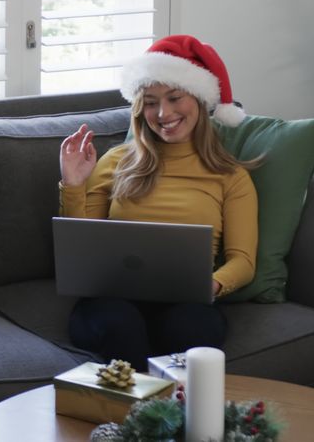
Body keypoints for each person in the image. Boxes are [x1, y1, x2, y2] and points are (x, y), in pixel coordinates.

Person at [57, 34, 258, 369]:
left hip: (187, 303)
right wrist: (74, 183)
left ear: (200, 99)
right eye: (151, 102)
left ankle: (175, 415)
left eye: (174, 97)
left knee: (191, 328)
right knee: (119, 325)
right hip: (112, 301)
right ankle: (140, 416)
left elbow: (243, 261)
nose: (163, 113)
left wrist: (211, 284)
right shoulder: (116, 160)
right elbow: (80, 247)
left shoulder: (231, 177)